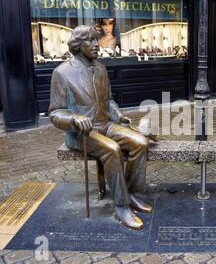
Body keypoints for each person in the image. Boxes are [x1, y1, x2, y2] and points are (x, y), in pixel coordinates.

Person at [49, 25, 151, 230]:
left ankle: (131, 194)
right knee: (111, 149)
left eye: (97, 40)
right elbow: (55, 113)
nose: (97, 44)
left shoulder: (101, 68)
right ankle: (121, 206)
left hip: (106, 124)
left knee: (140, 142)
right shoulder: (62, 73)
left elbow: (109, 101)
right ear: (78, 45)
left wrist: (118, 114)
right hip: (81, 133)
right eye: (91, 41)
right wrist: (74, 119)